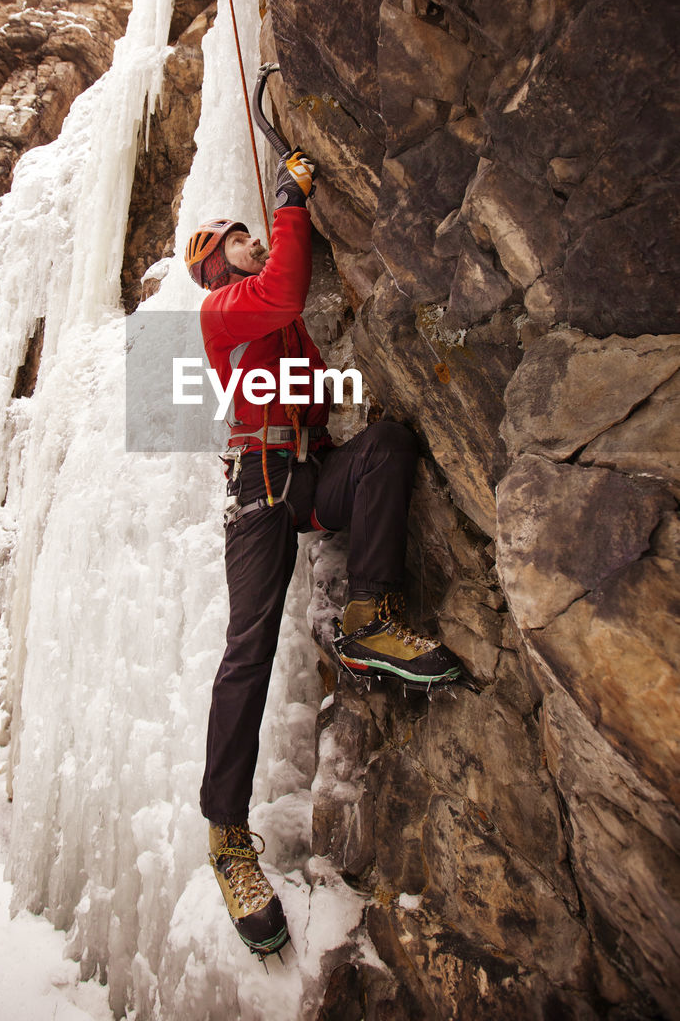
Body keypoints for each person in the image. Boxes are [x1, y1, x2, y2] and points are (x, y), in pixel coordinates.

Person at [184, 150, 461, 957]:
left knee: (386, 447)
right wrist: (287, 203)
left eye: (250, 232)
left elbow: (301, 357)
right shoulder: (224, 311)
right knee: (249, 649)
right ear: (213, 262)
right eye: (235, 238)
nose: (249, 242)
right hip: (255, 496)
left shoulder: (276, 323)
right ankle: (228, 839)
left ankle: (368, 617)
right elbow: (284, 288)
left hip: (299, 476)